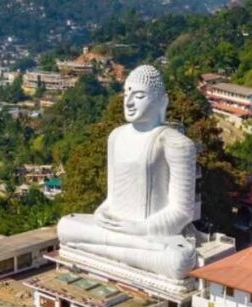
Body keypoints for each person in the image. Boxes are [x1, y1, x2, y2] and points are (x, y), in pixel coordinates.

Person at [57, 65, 197, 280]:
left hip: (148, 234)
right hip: (114, 229)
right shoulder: (116, 136)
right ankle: (116, 249)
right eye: (126, 93)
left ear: (163, 101)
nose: (129, 101)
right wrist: (101, 213)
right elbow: (112, 197)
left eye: (139, 95)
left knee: (178, 260)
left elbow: (182, 211)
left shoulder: (176, 142)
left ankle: (113, 250)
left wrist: (140, 229)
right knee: (66, 226)